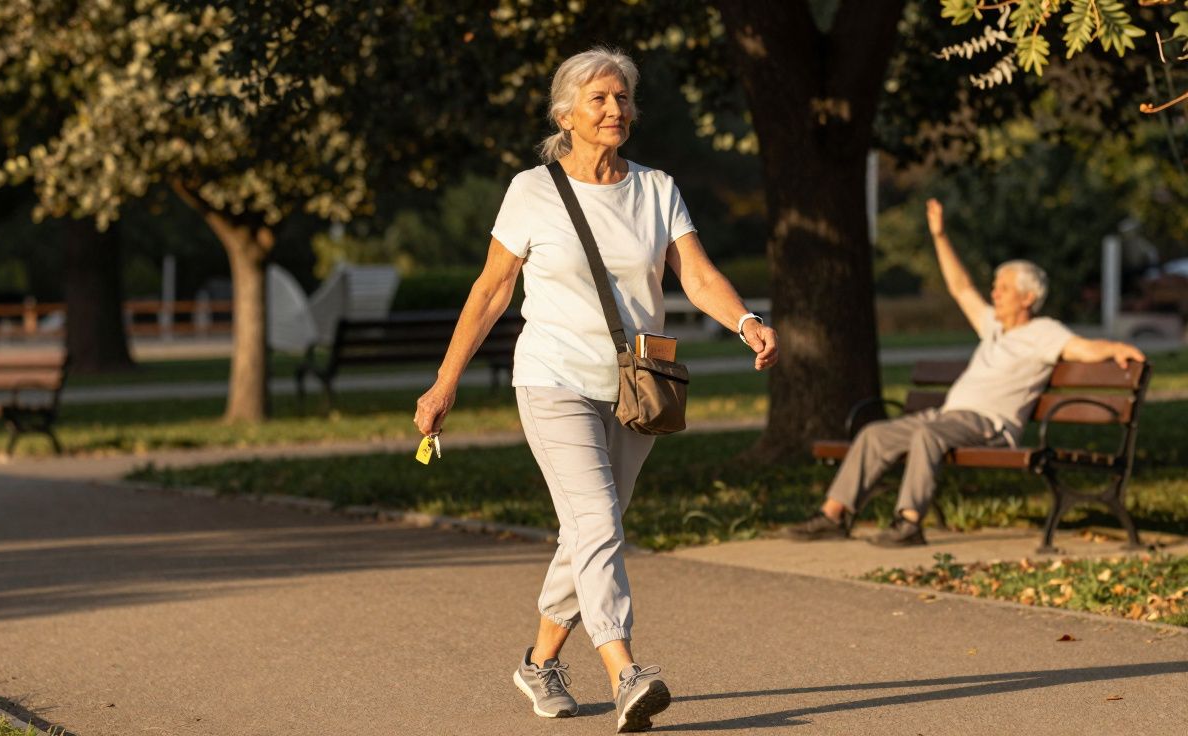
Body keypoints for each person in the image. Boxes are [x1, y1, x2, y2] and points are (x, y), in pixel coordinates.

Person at [412, 47, 778, 733]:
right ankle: (626, 672)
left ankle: (539, 663)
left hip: (637, 387)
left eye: (623, 98)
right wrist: (445, 382)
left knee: (589, 531)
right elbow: (492, 290)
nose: (615, 110)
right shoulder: (532, 191)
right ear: (565, 114)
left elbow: (695, 275)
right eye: (600, 99)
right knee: (599, 522)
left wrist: (746, 321)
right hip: (553, 377)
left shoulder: (656, 189)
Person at [787, 197, 1146, 547]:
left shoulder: (1044, 332)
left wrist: (1115, 348)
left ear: (1027, 298)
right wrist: (940, 236)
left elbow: (1081, 348)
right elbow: (961, 287)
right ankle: (832, 516)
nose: (995, 292)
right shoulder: (992, 326)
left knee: (927, 434)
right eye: (995, 286)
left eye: (1003, 287)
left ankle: (909, 522)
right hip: (950, 418)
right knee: (874, 436)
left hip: (988, 424)